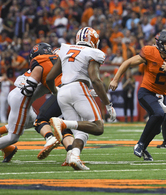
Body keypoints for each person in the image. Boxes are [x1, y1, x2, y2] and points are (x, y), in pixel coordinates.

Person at [109, 30, 166, 161]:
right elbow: (127, 62)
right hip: (147, 92)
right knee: (159, 114)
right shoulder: (150, 52)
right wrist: (116, 79)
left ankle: (143, 148)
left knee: (156, 129)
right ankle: (140, 144)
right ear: (160, 44)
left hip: (162, 95)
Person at [46, 27, 116, 170]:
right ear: (94, 40)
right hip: (78, 88)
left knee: (81, 132)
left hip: (63, 91)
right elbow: (95, 79)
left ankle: (74, 156)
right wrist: (108, 105)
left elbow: (49, 78)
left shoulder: (65, 48)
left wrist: (55, 91)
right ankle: (63, 123)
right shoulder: (94, 52)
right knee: (98, 126)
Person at [0, 43, 57, 162]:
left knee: (36, 122)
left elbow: (18, 81)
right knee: (13, 137)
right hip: (22, 99)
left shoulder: (36, 67)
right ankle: (9, 145)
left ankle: (8, 148)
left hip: (18, 96)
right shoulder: (47, 66)